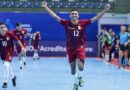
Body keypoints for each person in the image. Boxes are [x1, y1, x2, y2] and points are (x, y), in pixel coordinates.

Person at [42, 1, 110, 88]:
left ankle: (80, 77)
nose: (74, 15)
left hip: (80, 47)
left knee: (80, 67)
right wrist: (46, 7)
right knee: (73, 71)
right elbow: (55, 16)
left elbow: (96, 18)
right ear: (70, 16)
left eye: (75, 14)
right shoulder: (66, 23)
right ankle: (76, 82)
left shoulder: (83, 23)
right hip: (70, 49)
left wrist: (105, 10)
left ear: (78, 16)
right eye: (72, 14)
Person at [0, 22, 25, 88]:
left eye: (4, 27)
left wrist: (22, 47)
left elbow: (17, 40)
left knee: (6, 65)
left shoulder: (10, 34)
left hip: (9, 51)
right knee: (7, 66)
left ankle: (5, 82)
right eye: (1, 27)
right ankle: (13, 77)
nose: (3, 28)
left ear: (6, 27)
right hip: (2, 53)